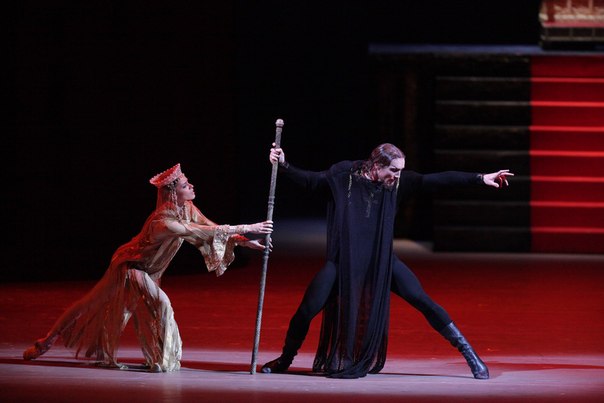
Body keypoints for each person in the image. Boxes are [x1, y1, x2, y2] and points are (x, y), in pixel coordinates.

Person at [261, 143, 513, 379]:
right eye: (393, 170)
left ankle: (470, 354)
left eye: (400, 170)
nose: (397, 175)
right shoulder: (344, 175)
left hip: (381, 261)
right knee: (306, 310)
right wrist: (284, 165)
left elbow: (436, 180)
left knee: (422, 300)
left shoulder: (398, 183)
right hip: (344, 262)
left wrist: (480, 178)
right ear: (376, 165)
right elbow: (310, 180)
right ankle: (285, 359)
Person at [23, 163, 273, 372]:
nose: (191, 186)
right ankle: (47, 340)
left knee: (138, 309)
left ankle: (158, 359)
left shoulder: (186, 209)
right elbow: (199, 232)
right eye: (185, 185)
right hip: (131, 266)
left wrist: (244, 241)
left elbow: (209, 226)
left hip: (152, 270)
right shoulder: (163, 223)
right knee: (98, 302)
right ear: (173, 193)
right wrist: (248, 227)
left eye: (188, 183)